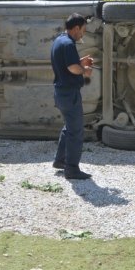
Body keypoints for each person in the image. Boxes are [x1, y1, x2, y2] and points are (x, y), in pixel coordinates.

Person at [51, 13, 94, 180]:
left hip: (61, 92)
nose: (83, 34)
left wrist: (80, 61)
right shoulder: (69, 44)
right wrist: (85, 70)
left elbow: (66, 63)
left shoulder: (59, 40)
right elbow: (71, 68)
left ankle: (60, 161)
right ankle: (72, 169)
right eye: (83, 30)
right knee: (75, 131)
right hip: (69, 93)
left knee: (69, 127)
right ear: (76, 28)